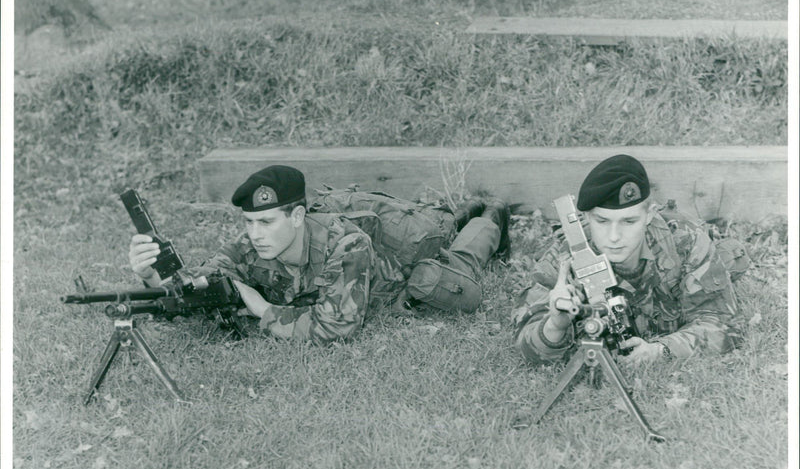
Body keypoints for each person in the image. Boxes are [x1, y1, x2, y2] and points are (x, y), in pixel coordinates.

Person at [129, 164, 510, 344]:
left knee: (457, 254)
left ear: (297, 216)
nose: (254, 235)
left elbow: (336, 327)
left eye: (266, 222)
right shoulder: (251, 245)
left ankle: (493, 211)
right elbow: (200, 284)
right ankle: (469, 210)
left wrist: (261, 308)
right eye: (249, 222)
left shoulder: (346, 244)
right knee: (449, 224)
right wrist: (152, 276)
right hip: (370, 239)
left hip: (406, 252)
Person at [512, 154, 747, 365]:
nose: (614, 237)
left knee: (732, 259)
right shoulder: (568, 257)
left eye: (629, 221)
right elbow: (526, 342)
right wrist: (555, 324)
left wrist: (662, 350)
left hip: (688, 254)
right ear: (586, 218)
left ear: (649, 215)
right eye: (602, 222)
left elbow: (724, 325)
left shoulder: (686, 242)